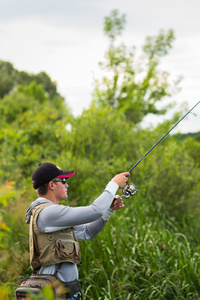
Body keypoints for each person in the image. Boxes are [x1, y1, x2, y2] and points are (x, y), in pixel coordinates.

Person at [25, 162, 130, 299]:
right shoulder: (48, 213)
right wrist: (113, 184)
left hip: (65, 293)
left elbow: (87, 232)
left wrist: (109, 210)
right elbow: (95, 210)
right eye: (63, 181)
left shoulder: (52, 214)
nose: (67, 185)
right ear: (52, 185)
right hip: (54, 295)